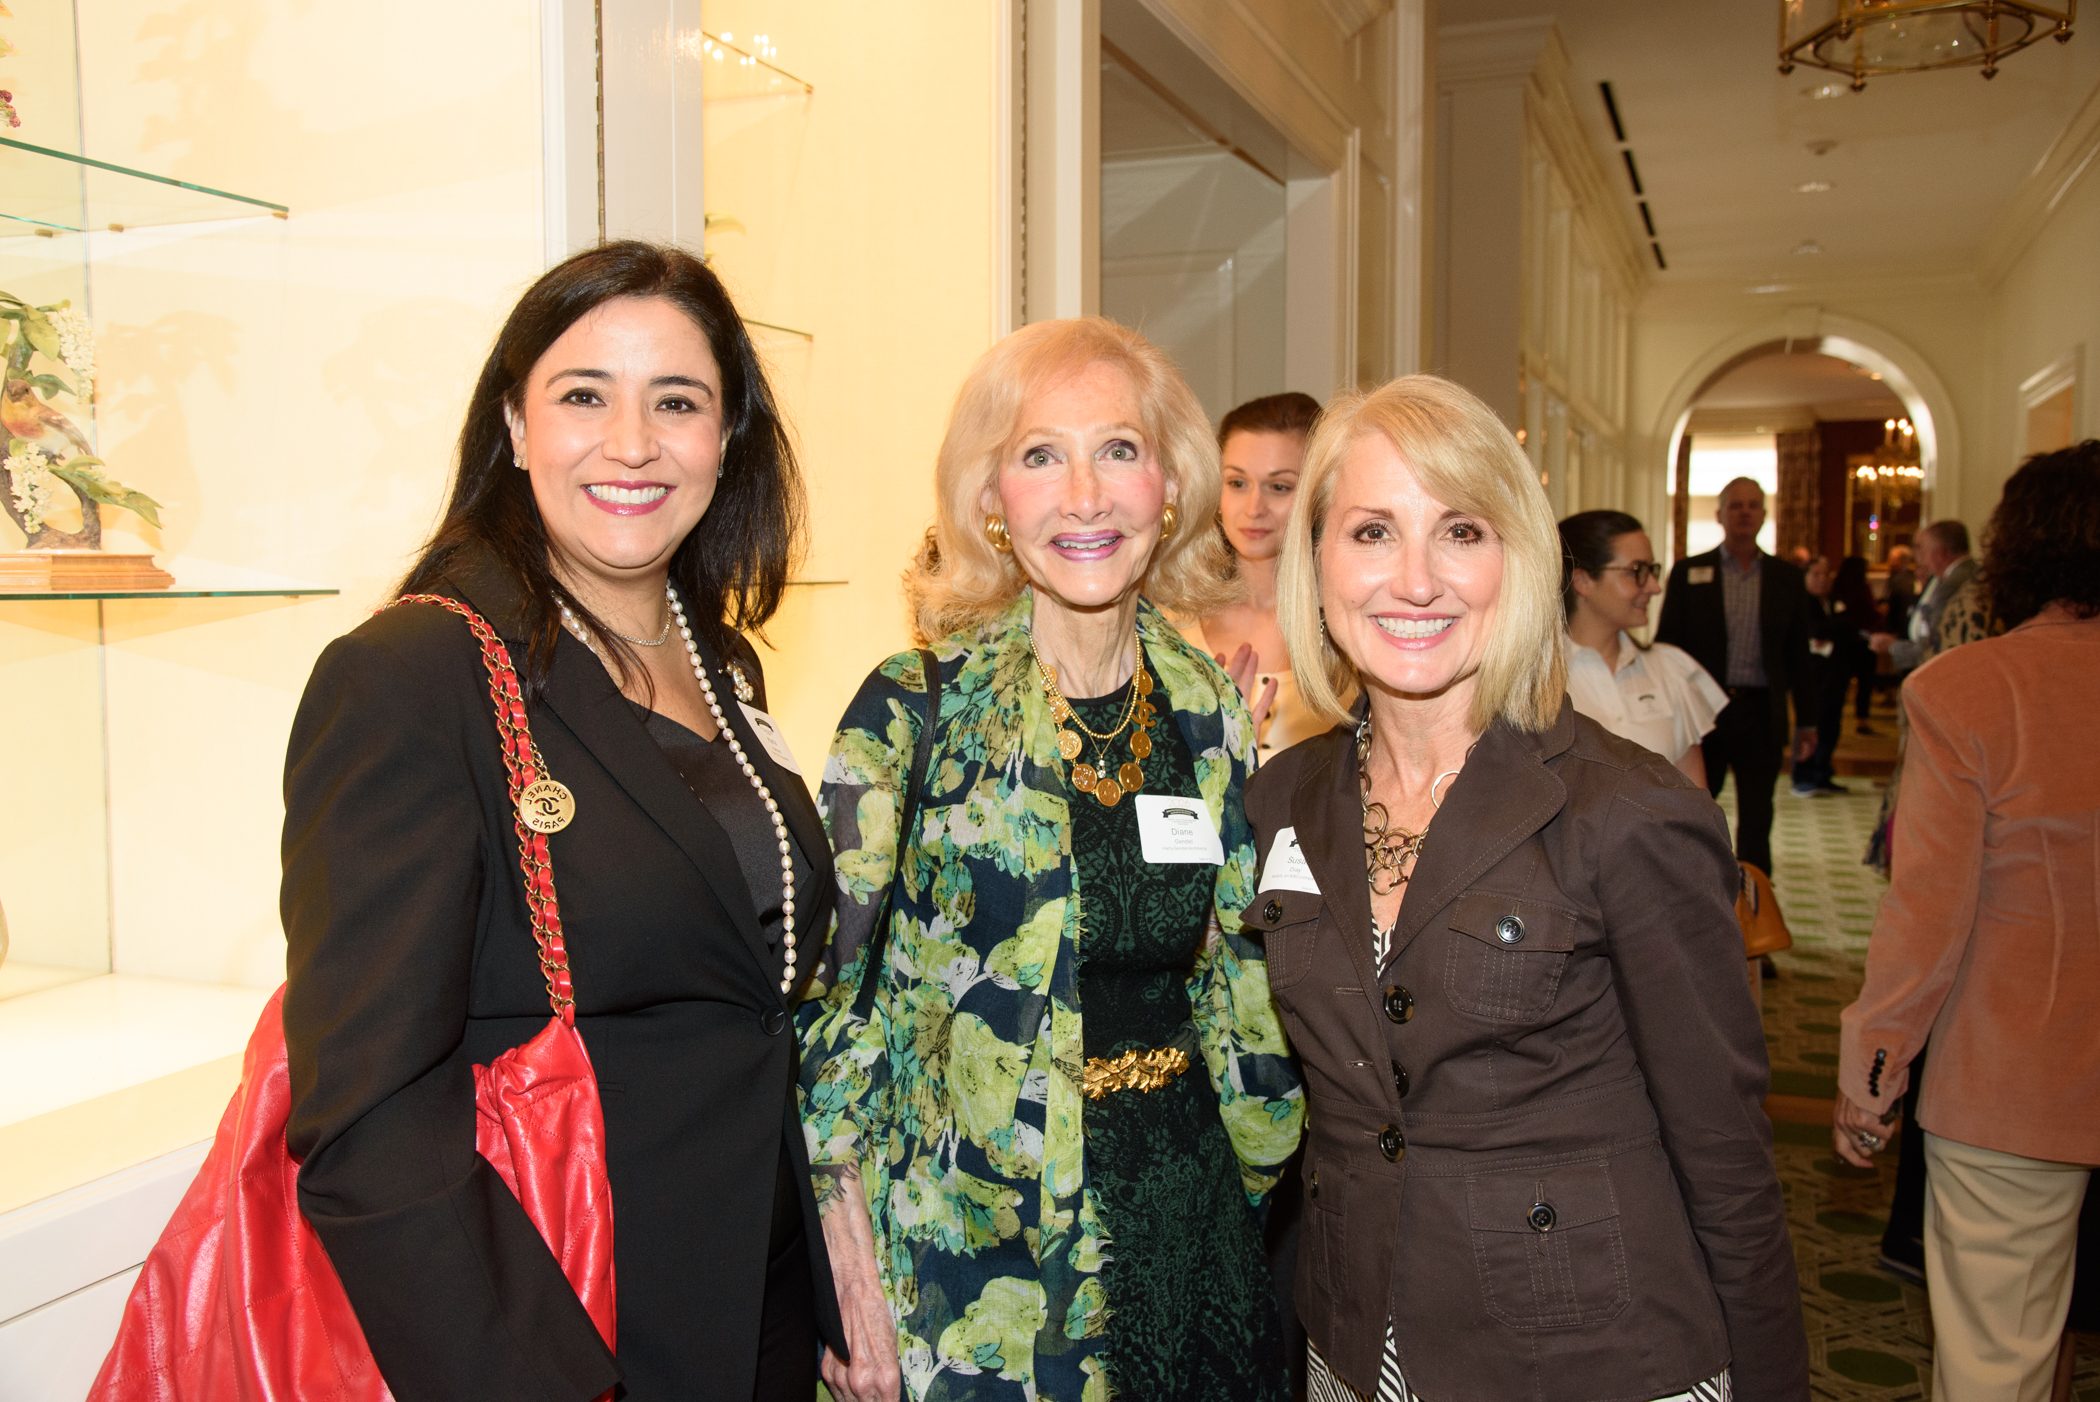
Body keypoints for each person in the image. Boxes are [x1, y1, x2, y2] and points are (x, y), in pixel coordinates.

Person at [281, 242, 842, 1401]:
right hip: (575, 1321)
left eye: (676, 402)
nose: (632, 443)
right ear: (515, 424)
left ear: (726, 437)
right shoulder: (414, 675)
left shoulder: (720, 658)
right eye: (584, 395)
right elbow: (369, 1122)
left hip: (763, 1303)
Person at [1245, 375, 1807, 1402]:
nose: (1416, 580)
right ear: (1316, 561)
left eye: (1460, 531)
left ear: (1521, 559)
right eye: (1372, 532)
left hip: (1587, 1355)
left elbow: (1725, 1153)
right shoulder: (1283, 798)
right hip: (1353, 1338)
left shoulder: (1626, 810)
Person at [799, 317, 1304, 1402]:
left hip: (1188, 1223)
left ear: (1172, 486)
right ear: (992, 496)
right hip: (977, 1258)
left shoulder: (1208, 709)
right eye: (1041, 455)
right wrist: (845, 1263)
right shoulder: (911, 711)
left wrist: (1258, 1172)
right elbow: (828, 1004)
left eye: (1119, 450)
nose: (1085, 497)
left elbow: (1236, 980)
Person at [1835, 441, 2100, 1402]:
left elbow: (1928, 916)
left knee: (2000, 1360)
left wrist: (1871, 1075)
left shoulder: (1972, 690)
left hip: (2019, 1081)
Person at [1655, 477, 1819, 876]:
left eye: (1753, 505)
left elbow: (1800, 655)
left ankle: (1755, 899)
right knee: (1695, 810)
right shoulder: (1689, 572)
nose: (1745, 513)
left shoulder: (1786, 577)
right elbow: (1667, 649)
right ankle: (1693, 888)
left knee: (1758, 815)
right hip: (1704, 714)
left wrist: (1809, 721)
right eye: (1736, 505)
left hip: (1761, 713)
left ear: (1764, 515)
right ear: (1720, 515)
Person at [1187, 391, 1331, 755]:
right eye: (1237, 483)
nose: (1254, 508)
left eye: (1279, 487)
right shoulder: (1170, 621)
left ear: (1320, 492)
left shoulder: (1350, 629)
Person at [1557, 508, 1725, 788]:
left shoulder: (1670, 669)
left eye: (1651, 570)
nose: (1654, 587)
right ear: (1583, 581)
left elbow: (1695, 799)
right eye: (1636, 571)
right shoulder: (1533, 681)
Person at [1794, 555, 1876, 796]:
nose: (1822, 579)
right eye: (1816, 574)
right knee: (1810, 727)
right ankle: (1803, 776)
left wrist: (1833, 630)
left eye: (1826, 574)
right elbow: (1816, 630)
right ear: (1805, 577)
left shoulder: (1833, 601)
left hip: (1837, 676)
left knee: (1831, 728)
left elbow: (1849, 625)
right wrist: (1835, 628)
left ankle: (1822, 774)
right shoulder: (1801, 602)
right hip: (1813, 678)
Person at [1870, 520, 1975, 672]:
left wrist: (1892, 647)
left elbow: (1936, 644)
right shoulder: (1966, 573)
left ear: (1939, 553)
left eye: (1922, 550)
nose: (1920, 557)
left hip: (1947, 669)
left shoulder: (1951, 584)